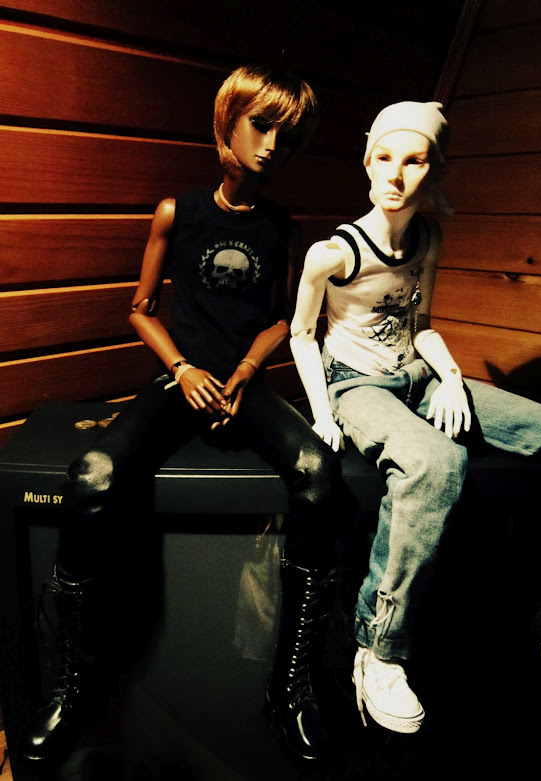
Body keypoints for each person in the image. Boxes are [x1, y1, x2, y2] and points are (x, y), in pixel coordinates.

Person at [21, 65, 342, 765]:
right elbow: (140, 308)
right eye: (262, 126)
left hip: (244, 386)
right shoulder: (177, 212)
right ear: (227, 123)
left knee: (319, 471)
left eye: (287, 137)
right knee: (94, 474)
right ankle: (73, 682)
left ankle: (291, 686)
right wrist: (184, 369)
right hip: (180, 380)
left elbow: (282, 318)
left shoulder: (282, 227)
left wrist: (245, 373)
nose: (272, 146)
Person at [290, 101, 541, 734]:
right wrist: (322, 412)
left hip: (419, 375)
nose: (396, 174)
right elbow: (301, 335)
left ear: (434, 170)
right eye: (385, 157)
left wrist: (449, 376)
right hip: (355, 384)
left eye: (415, 160)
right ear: (367, 162)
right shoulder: (332, 254)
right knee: (435, 461)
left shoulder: (428, 237)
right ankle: (379, 650)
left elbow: (419, 324)